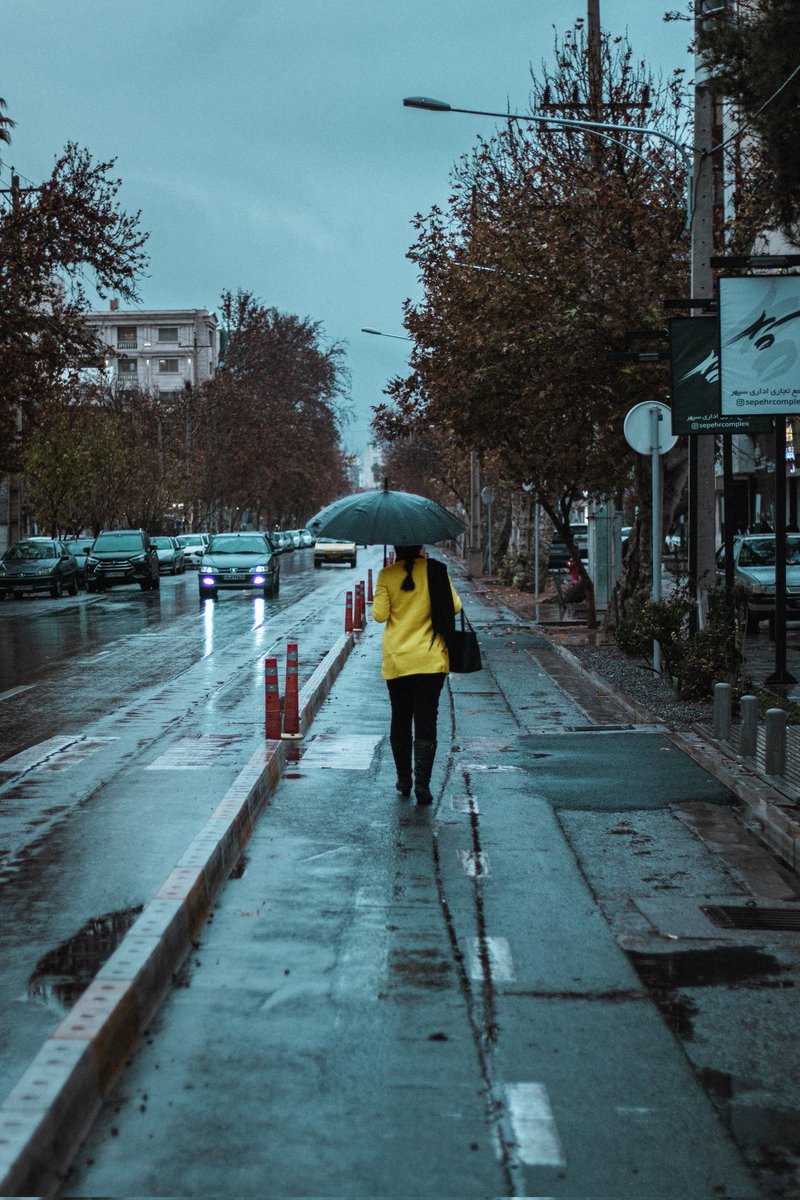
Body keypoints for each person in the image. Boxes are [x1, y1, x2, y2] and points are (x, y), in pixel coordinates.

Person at [372, 546, 462, 805]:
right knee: (426, 719)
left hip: (398, 660)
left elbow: (379, 615)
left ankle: (404, 781)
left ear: (397, 549)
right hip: (431, 659)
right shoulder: (436, 572)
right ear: (421, 548)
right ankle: (423, 785)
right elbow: (455, 606)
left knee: (400, 717)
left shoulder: (387, 575)